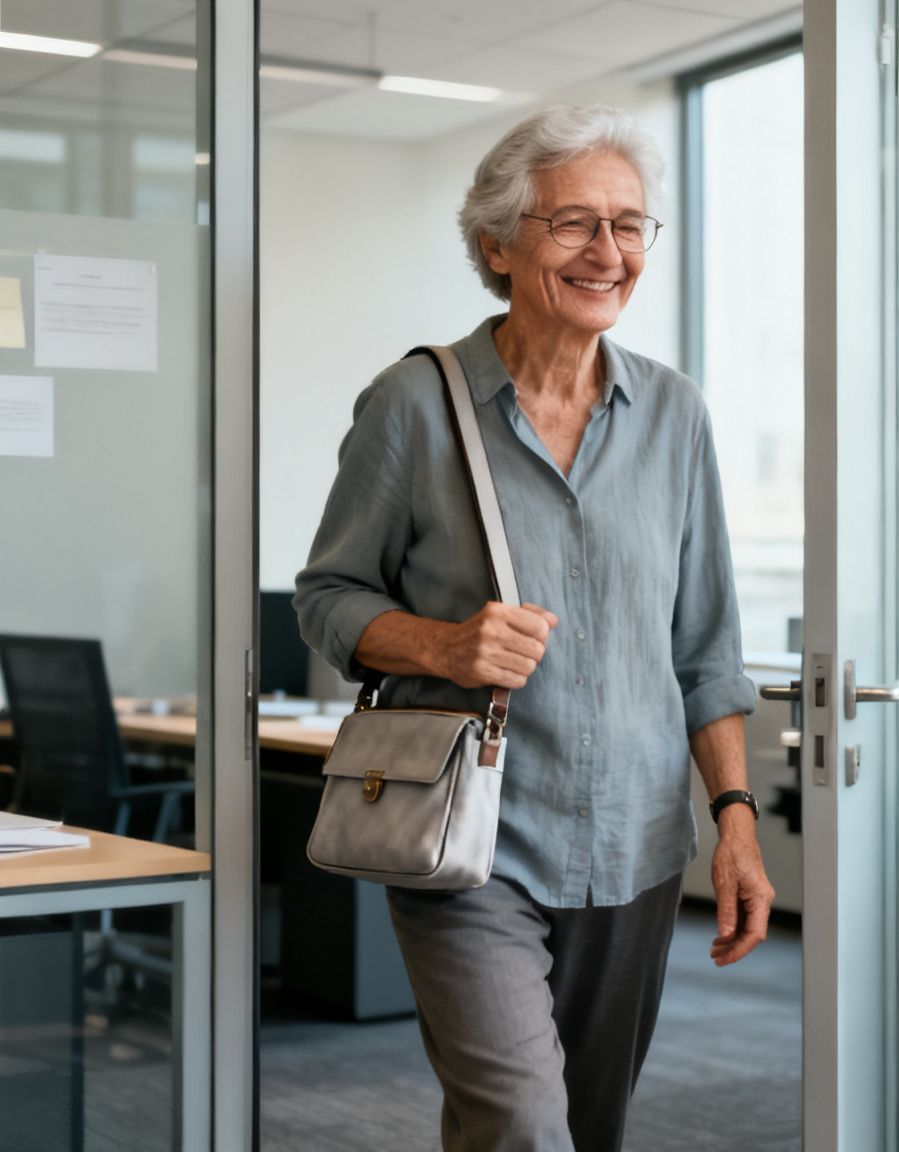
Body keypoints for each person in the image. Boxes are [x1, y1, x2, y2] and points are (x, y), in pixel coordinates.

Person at [294, 104, 770, 1151]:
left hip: (635, 842)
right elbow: (327, 597)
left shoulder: (675, 416)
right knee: (520, 1121)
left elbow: (706, 648)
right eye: (573, 225)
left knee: (589, 1127)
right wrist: (442, 645)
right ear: (496, 246)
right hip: (472, 841)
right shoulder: (415, 405)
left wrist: (734, 818)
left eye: (631, 225)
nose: (609, 253)